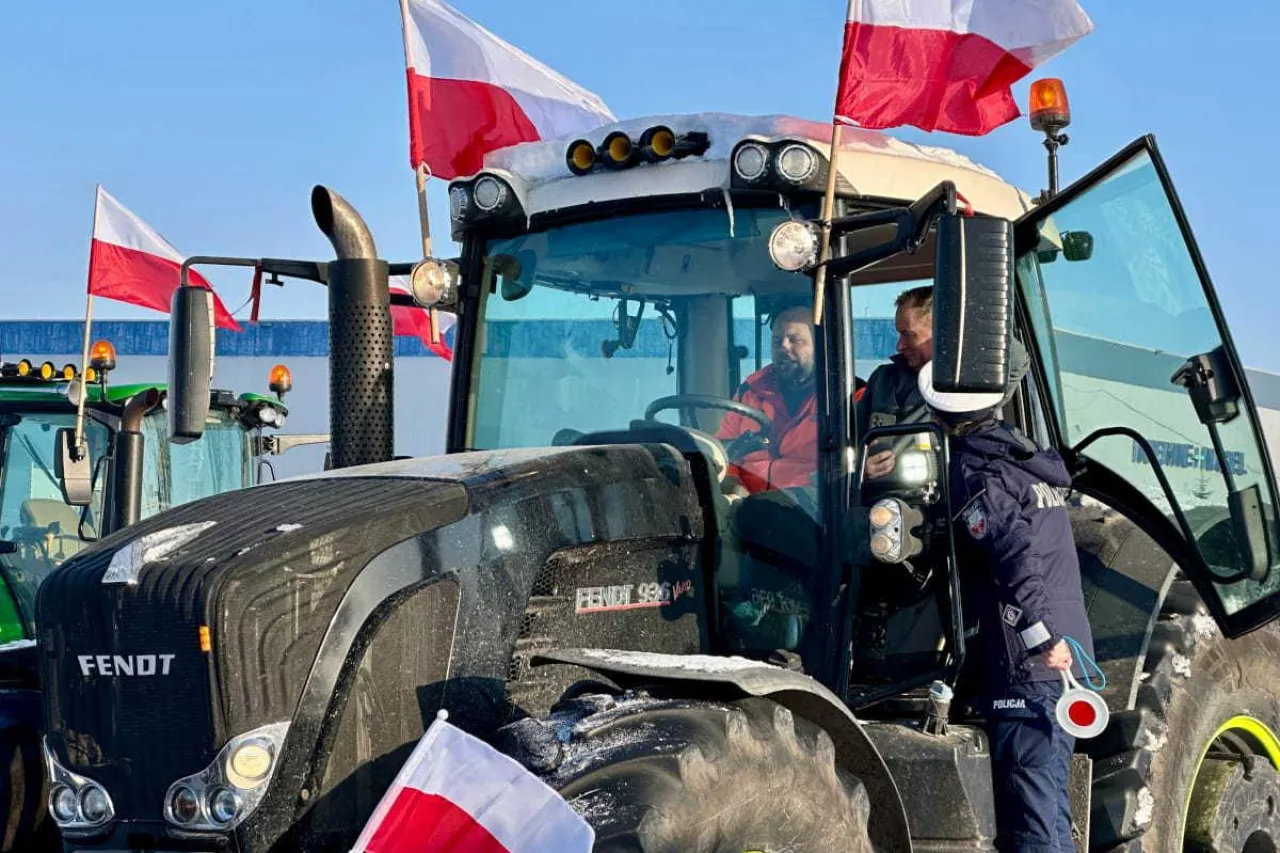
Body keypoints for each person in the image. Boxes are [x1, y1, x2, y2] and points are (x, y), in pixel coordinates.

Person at [916, 360, 1095, 853]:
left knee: (1030, 814)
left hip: (1031, 658)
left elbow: (1013, 552)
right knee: (1049, 808)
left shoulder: (977, 470)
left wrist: (1040, 635)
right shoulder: (1024, 457)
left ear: (937, 416)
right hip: (1061, 649)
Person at [857, 284, 1029, 479]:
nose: (900, 346)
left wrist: (966, 316)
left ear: (943, 332)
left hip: (945, 492)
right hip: (879, 494)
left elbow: (1016, 360)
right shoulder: (883, 380)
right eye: (899, 334)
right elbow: (848, 442)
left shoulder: (967, 384)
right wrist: (860, 469)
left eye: (908, 335)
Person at [716, 304, 818, 494]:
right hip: (745, 500)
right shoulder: (750, 391)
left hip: (808, 505)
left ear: (819, 345)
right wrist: (733, 487)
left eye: (795, 340)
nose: (783, 347)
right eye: (777, 341)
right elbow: (722, 451)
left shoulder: (846, 397)